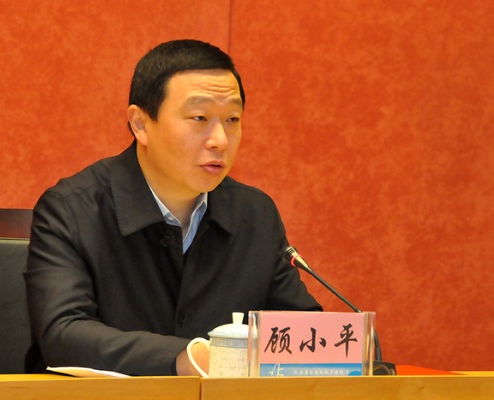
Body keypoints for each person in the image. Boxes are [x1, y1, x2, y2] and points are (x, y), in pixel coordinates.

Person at [23, 39, 322, 376]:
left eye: (233, 119)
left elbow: (303, 333)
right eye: (199, 117)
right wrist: (187, 357)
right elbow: (62, 335)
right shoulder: (72, 210)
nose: (220, 140)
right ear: (140, 124)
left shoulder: (254, 215)